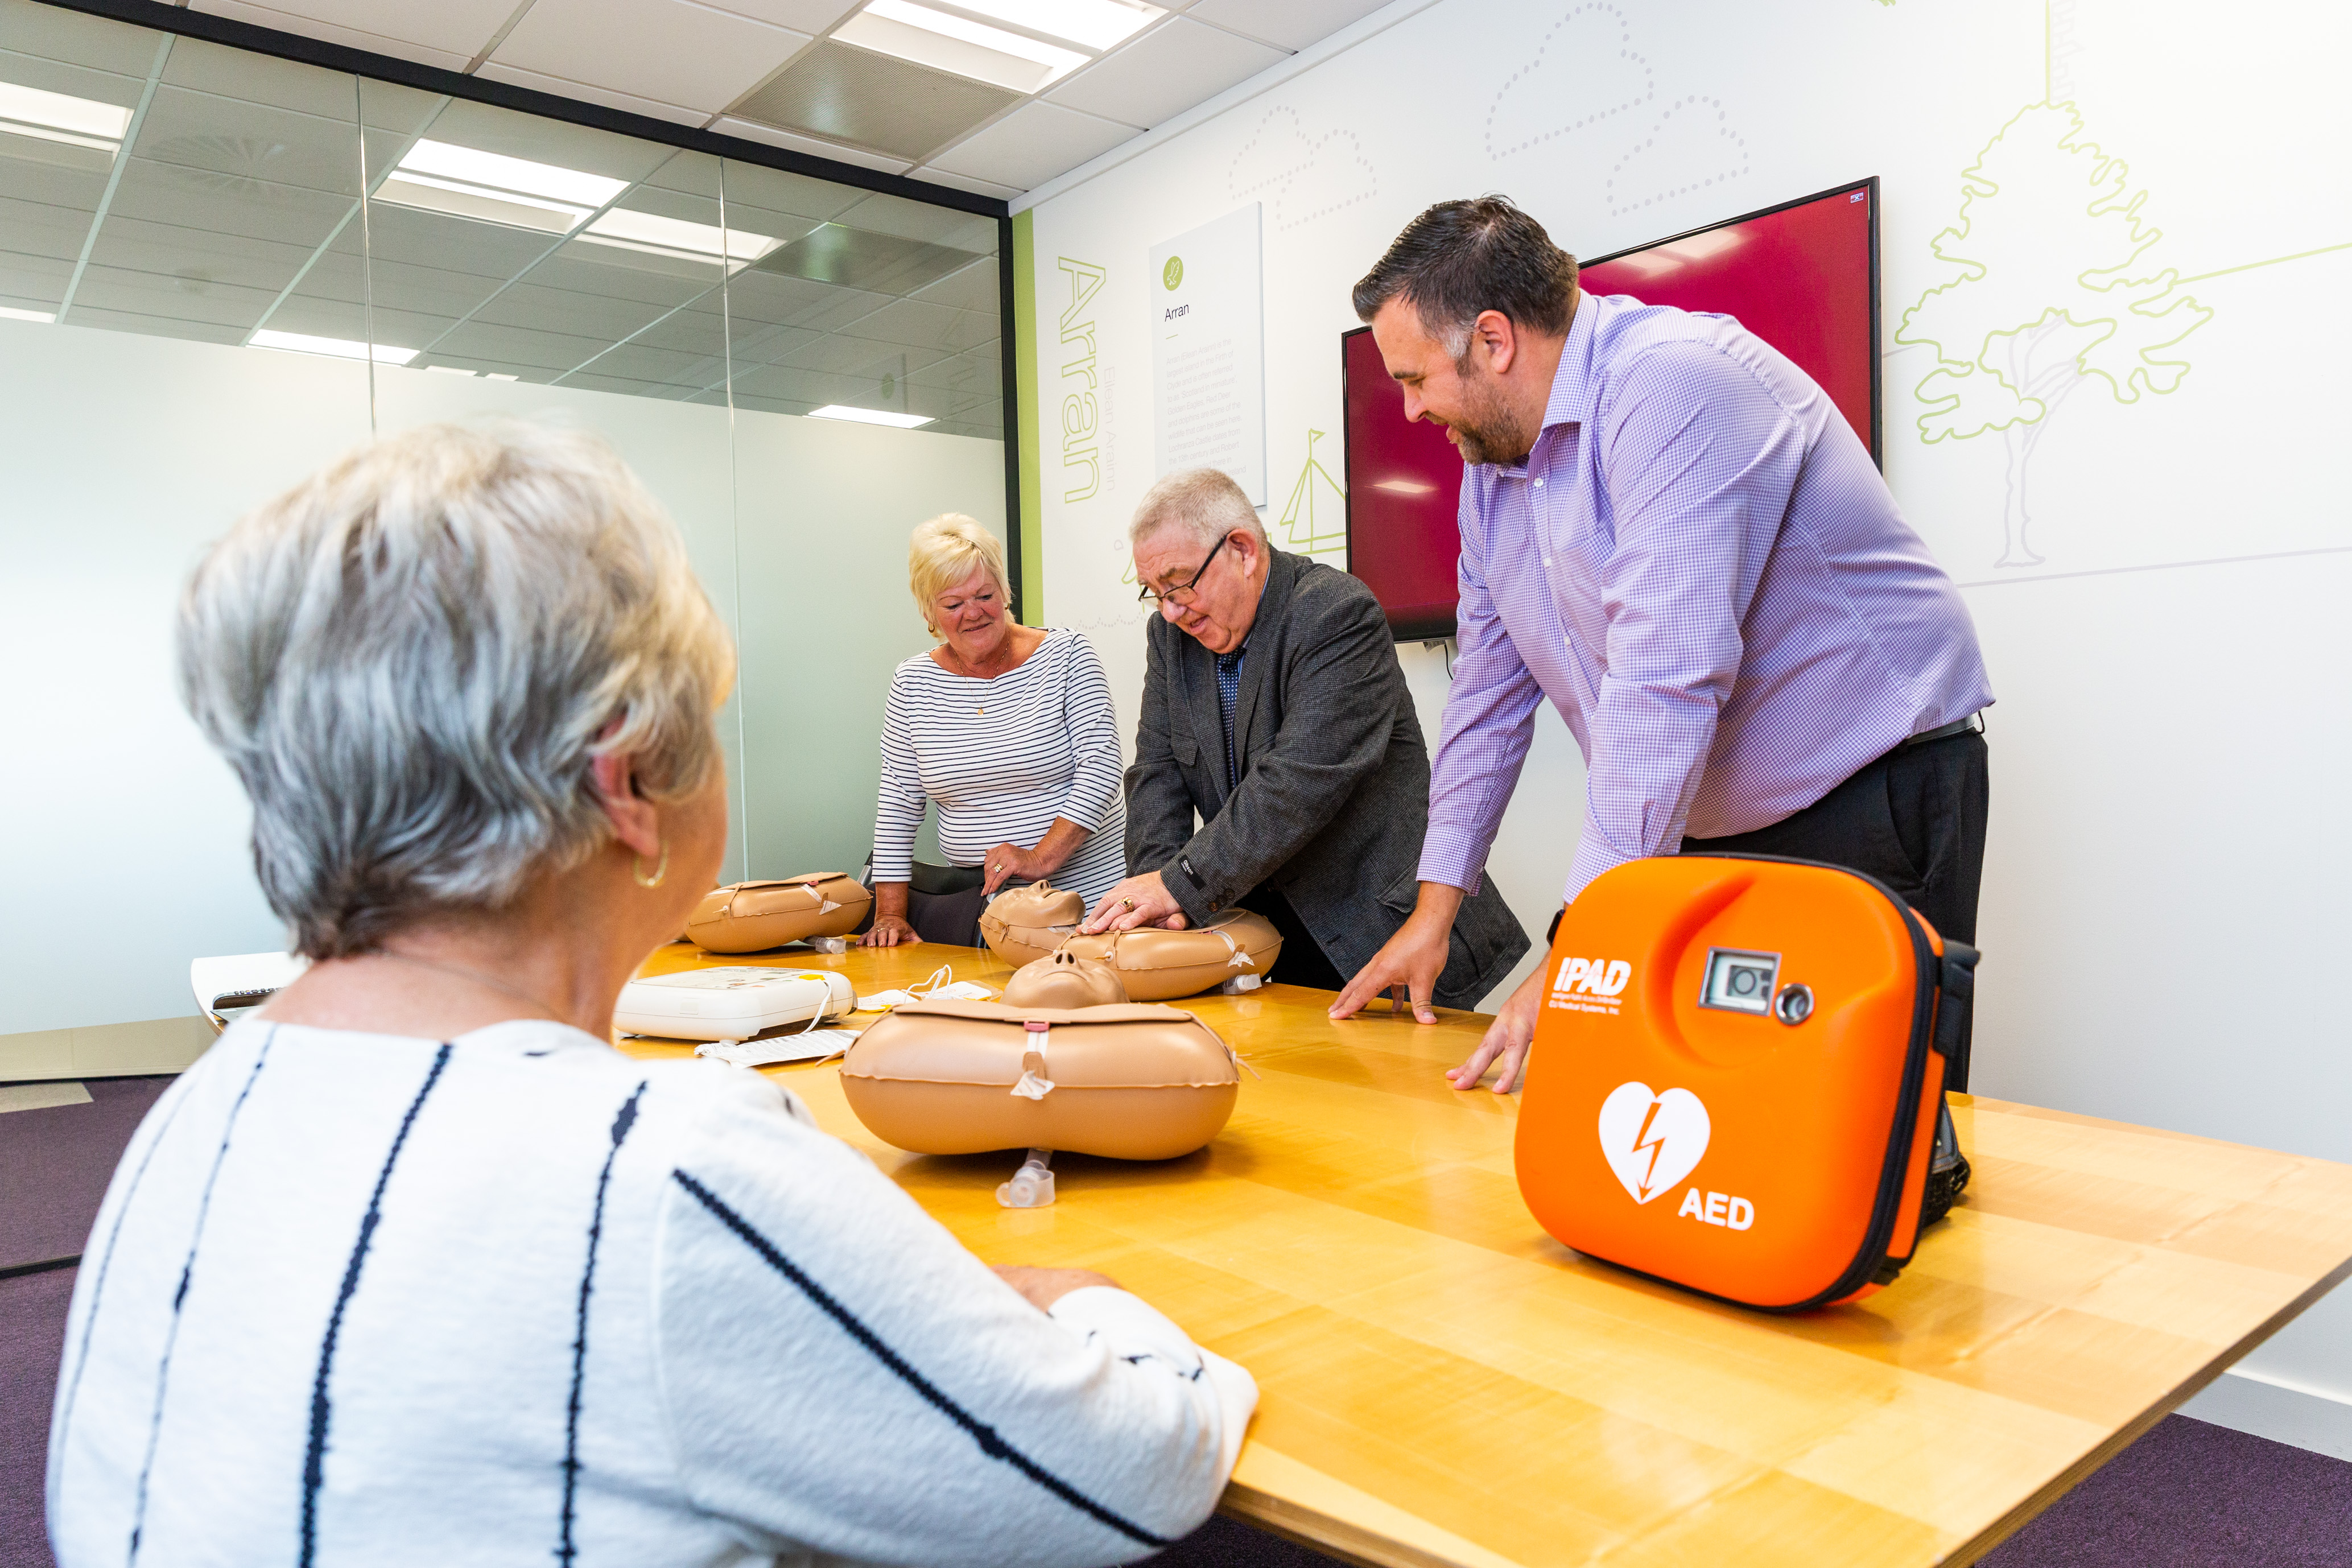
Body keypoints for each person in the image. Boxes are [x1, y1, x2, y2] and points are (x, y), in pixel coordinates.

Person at [47, 425, 1253, 1566]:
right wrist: (1083, 1296)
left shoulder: (191, 1119)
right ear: (629, 782)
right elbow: (1140, 1466)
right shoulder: (669, 1171)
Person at [1331, 196, 1994, 1094]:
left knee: (1863, 1121)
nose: (1409, 411)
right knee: (1708, 1114)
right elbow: (1486, 697)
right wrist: (1435, 907)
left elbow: (1665, 686)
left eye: (1413, 378)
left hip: (1867, 791)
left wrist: (1579, 946)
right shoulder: (1493, 475)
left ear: (1492, 341)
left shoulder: (1672, 383)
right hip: (1704, 817)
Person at [1082, 467, 1526, 1007]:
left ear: (1242, 550)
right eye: (1155, 594)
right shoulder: (1171, 639)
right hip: (1268, 947)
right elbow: (1157, 773)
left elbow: (1295, 784)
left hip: (1380, 932)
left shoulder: (1334, 613)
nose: (1172, 611)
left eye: (1178, 584)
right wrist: (1155, 901)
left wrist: (1179, 884)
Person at [864, 514, 1127, 948]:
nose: (973, 613)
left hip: (1090, 904)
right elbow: (898, 806)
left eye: (985, 595)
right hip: (985, 915)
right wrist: (891, 914)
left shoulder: (1067, 656)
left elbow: (1100, 771)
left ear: (1005, 592)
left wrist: (1040, 858)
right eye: (953, 605)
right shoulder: (912, 683)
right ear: (928, 611)